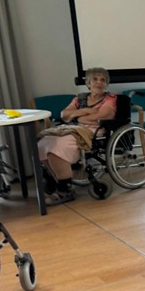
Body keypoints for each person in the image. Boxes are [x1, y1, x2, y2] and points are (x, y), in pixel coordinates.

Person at [36, 67, 117, 206]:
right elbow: (64, 114)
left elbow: (102, 116)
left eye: (103, 80)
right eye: (95, 79)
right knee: (44, 142)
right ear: (88, 83)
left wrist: (76, 116)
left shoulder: (110, 98)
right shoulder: (79, 99)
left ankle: (65, 190)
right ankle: (57, 179)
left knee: (58, 145)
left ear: (107, 84)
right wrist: (85, 111)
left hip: (93, 130)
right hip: (72, 127)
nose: (99, 83)